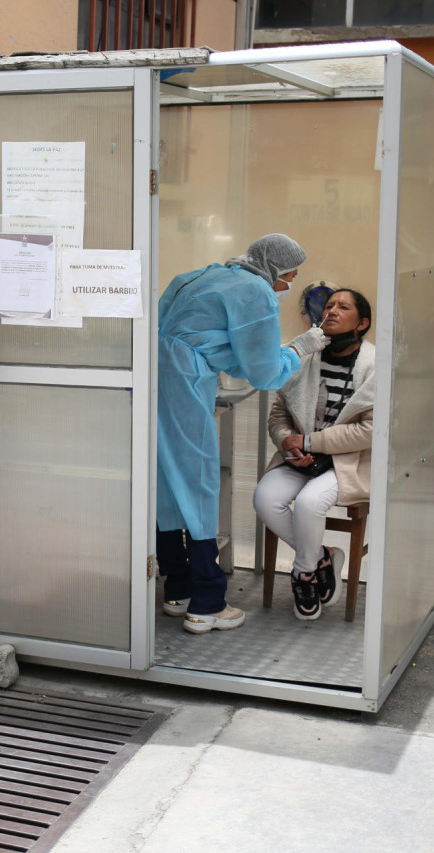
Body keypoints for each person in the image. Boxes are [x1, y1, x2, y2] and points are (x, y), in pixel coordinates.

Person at [157, 233, 328, 635]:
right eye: (289, 276)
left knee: (165, 480)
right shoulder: (256, 292)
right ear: (273, 268)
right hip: (185, 383)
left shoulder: (202, 275)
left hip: (156, 375)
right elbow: (264, 371)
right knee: (199, 484)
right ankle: (206, 603)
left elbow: (213, 341)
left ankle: (177, 587)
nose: (287, 285)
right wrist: (300, 349)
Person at [253, 288, 374, 621]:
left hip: (347, 462)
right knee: (265, 498)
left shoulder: (374, 364)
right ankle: (323, 556)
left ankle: (304, 573)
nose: (332, 311)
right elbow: (278, 415)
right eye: (330, 305)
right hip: (300, 457)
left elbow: (369, 431)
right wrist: (287, 443)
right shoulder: (305, 357)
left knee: (309, 503)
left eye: (343, 307)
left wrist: (308, 442)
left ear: (361, 323)